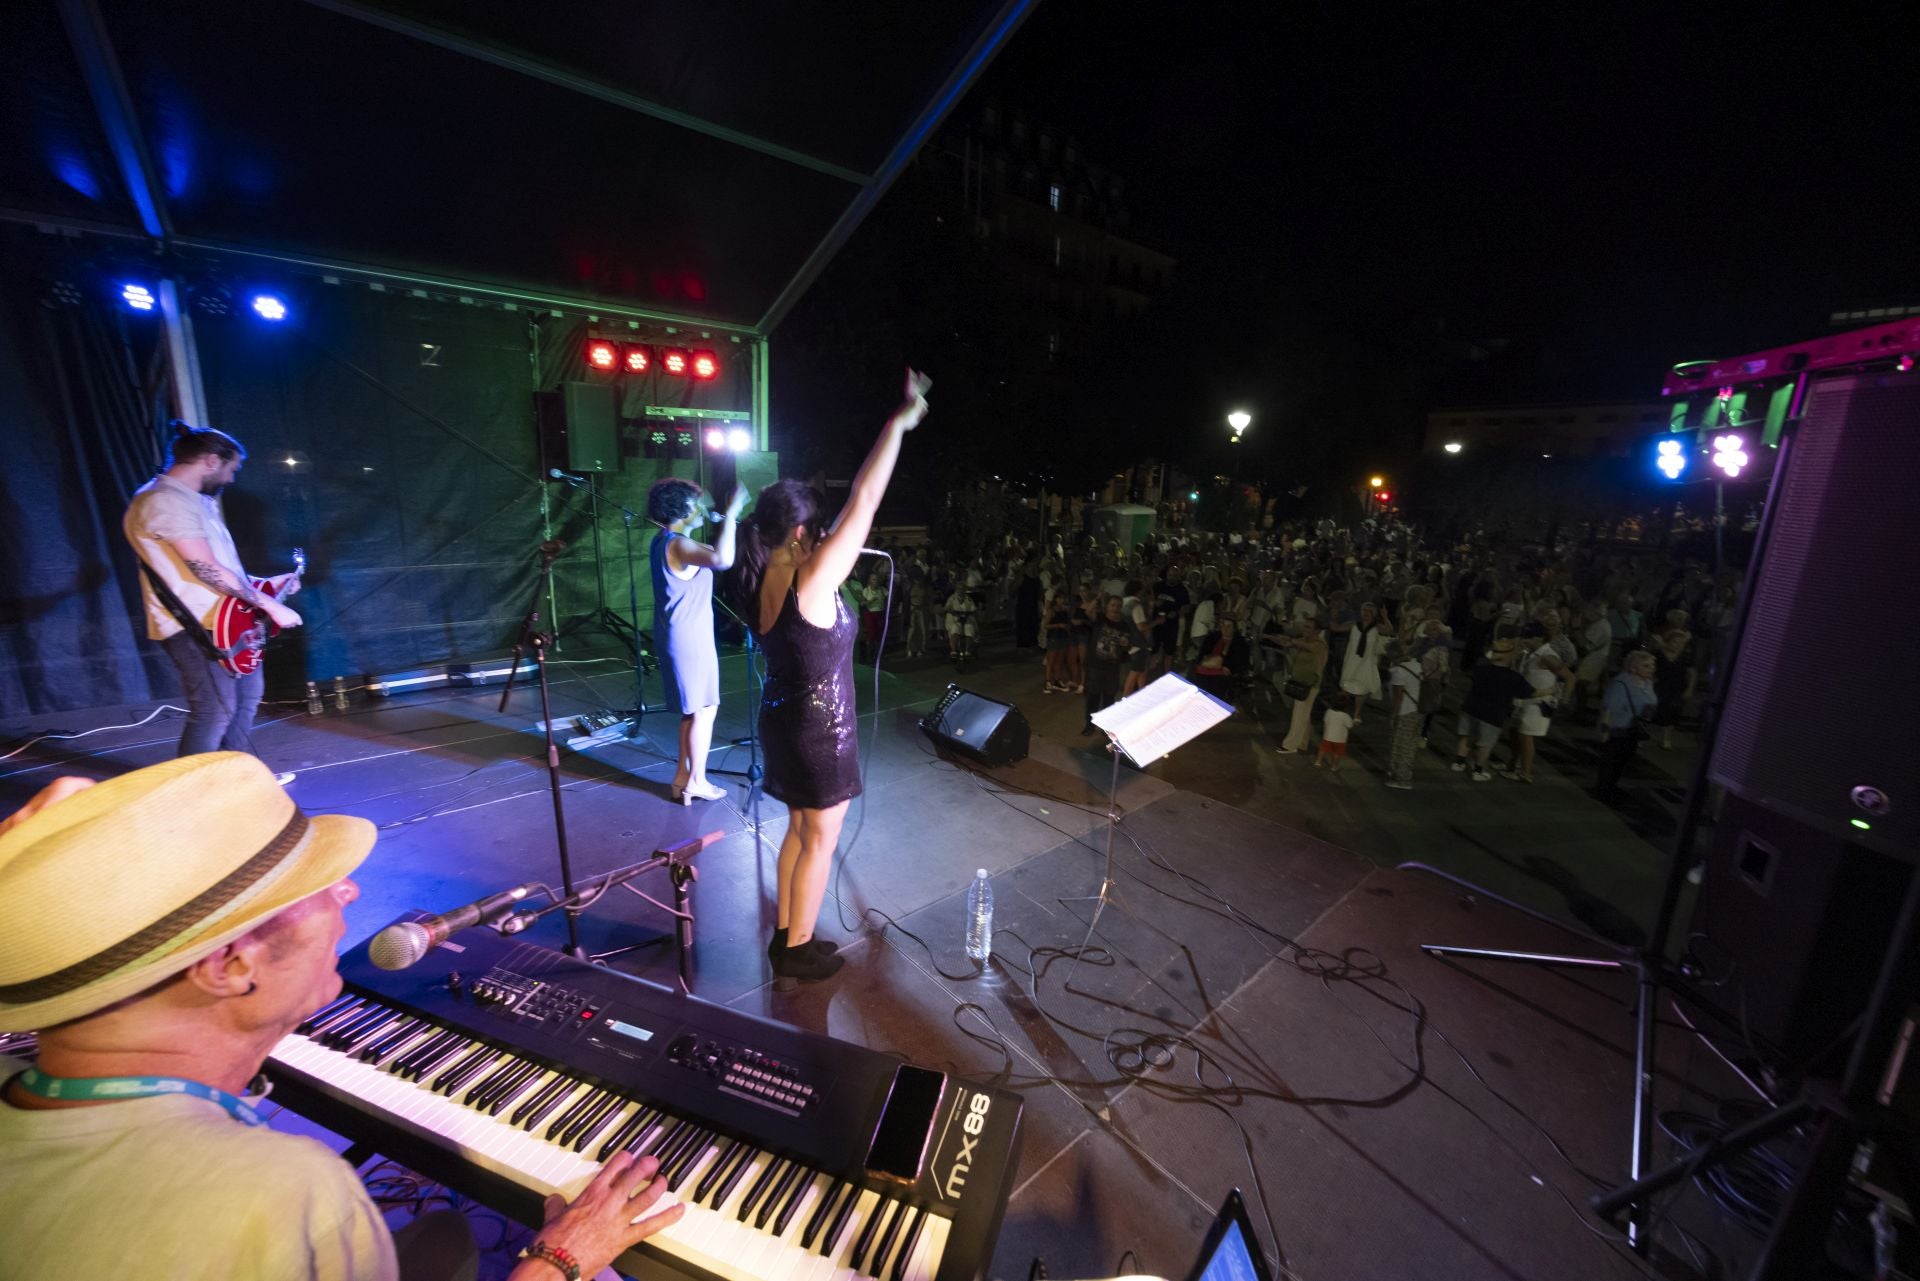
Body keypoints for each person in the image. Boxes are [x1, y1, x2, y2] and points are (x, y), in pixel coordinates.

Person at [0, 754, 684, 1280]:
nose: (350, 890)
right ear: (230, 964)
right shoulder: (281, 1195)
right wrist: (561, 1258)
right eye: (311, 884)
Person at [728, 371, 929, 981]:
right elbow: (864, 500)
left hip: (783, 718)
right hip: (818, 731)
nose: (825, 537)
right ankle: (796, 949)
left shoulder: (761, 575)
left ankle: (788, 934)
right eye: (816, 530)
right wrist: (899, 423)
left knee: (798, 830)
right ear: (799, 533)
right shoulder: (809, 579)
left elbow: (850, 512)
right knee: (819, 839)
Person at [124, 422, 303, 778]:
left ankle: (235, 778)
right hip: (195, 625)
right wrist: (270, 605)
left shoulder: (195, 502)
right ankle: (194, 790)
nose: (232, 478)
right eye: (231, 468)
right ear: (210, 461)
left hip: (224, 619)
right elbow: (204, 567)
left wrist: (266, 585)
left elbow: (218, 566)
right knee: (214, 709)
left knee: (247, 698)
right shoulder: (165, 501)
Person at [648, 477, 746, 806]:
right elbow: (724, 560)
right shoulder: (677, 545)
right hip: (689, 638)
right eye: (697, 504)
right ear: (683, 508)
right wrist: (732, 513)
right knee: (705, 710)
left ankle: (682, 778)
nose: (703, 509)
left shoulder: (664, 541)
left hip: (681, 634)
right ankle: (697, 782)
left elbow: (716, 554)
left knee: (692, 712)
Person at [1452, 637, 1530, 781]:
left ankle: (1459, 763)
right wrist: (1549, 690)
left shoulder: (1481, 669)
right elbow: (1527, 692)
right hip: (1492, 715)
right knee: (1485, 744)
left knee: (1466, 736)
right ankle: (1478, 771)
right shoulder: (1513, 677)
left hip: (1470, 708)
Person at [1598, 649, 1659, 802]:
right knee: (1611, 762)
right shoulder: (1621, 683)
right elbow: (1608, 708)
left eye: (1652, 665)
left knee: (1623, 761)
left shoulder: (1648, 683)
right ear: (1633, 667)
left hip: (1634, 729)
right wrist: (1605, 730)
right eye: (1646, 666)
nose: (1651, 669)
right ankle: (1603, 792)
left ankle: (1611, 787)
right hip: (1617, 729)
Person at [1277, 618, 1329, 755]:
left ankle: (1290, 745)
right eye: (1305, 626)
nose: (1305, 629)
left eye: (1308, 627)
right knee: (1303, 715)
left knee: (1299, 715)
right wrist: (1277, 639)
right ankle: (1302, 743)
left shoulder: (1320, 645)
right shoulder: (1305, 640)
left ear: (1317, 631)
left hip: (1309, 685)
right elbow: (1290, 643)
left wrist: (1292, 641)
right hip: (1300, 682)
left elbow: (1304, 646)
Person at [1082, 595, 1132, 736]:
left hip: (1112, 667)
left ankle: (1105, 727)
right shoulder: (1100, 618)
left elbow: (1128, 648)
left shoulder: (1124, 626)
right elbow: (1088, 612)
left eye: (1118, 606)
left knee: (1109, 698)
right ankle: (1089, 726)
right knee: (1093, 697)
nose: (1115, 608)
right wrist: (1097, 598)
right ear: (1107, 606)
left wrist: (1126, 645)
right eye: (1113, 605)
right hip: (1095, 665)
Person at [1649, 609, 1695, 750]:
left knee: (1671, 714)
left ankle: (1666, 740)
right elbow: (1649, 668)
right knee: (1651, 711)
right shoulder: (1657, 654)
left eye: (1681, 643)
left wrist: (1689, 689)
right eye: (1675, 642)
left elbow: (1692, 673)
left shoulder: (1686, 657)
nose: (1678, 645)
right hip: (1659, 686)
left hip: (1676, 688)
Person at [1384, 643, 1423, 790]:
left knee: (1401, 745)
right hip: (1418, 710)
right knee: (1410, 744)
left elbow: (1398, 697)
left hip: (1405, 712)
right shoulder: (1417, 665)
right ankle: (1400, 772)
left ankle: (1402, 779)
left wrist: (1393, 716)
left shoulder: (1398, 672)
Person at [1189, 614, 1247, 702]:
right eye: (1223, 625)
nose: (1225, 628)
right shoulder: (1212, 637)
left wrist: (1224, 665)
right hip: (1206, 668)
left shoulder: (1239, 642)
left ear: (1234, 629)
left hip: (1221, 673)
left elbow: (1239, 661)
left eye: (1229, 626)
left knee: (1218, 686)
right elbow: (1203, 655)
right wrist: (1214, 662)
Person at [1316, 691, 1355, 771]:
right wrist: (1354, 722)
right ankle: (1334, 766)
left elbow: (1325, 720)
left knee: (1323, 749)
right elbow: (1350, 725)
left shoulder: (1329, 712)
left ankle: (1318, 761)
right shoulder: (1345, 716)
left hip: (1327, 736)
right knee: (1337, 753)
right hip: (1340, 739)